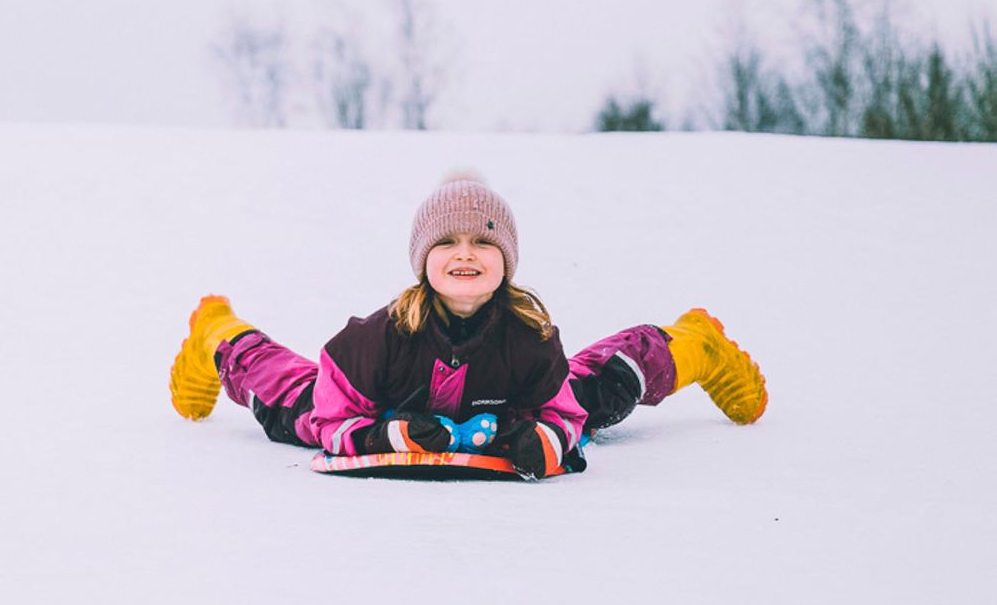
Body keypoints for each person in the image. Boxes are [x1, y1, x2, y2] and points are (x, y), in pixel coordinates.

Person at [167, 173, 767, 478]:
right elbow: (330, 417)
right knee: (287, 399)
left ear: (506, 261)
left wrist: (546, 441)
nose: (465, 252)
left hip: (504, 409)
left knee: (601, 388)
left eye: (484, 241)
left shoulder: (530, 338)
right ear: (422, 261)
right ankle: (219, 333)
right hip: (367, 407)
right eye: (447, 242)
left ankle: (694, 346)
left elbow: (562, 413)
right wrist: (386, 437)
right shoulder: (378, 338)